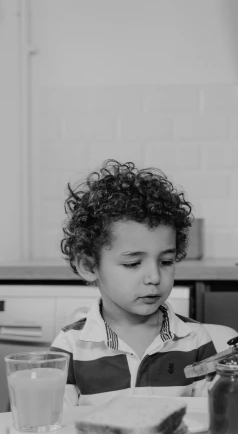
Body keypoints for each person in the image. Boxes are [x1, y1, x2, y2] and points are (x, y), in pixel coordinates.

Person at [51, 160, 216, 407]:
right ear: (88, 266)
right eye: (132, 264)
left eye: (166, 261)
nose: (155, 277)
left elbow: (220, 417)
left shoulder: (194, 339)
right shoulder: (71, 346)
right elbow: (55, 427)